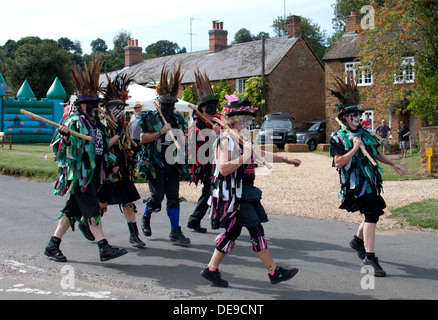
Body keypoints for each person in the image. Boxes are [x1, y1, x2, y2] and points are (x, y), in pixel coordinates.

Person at [200, 95, 301, 287]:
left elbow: (260, 154)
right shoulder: (225, 140)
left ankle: (211, 270)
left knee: (232, 233)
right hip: (234, 194)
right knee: (256, 230)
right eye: (244, 117)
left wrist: (287, 159)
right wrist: (245, 155)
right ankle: (274, 271)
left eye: (249, 117)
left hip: (245, 191)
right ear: (234, 119)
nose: (248, 121)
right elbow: (223, 169)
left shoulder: (241, 138)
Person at [44, 57, 128, 262]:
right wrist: (65, 136)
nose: (95, 107)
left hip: (94, 175)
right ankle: (103, 246)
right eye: (91, 104)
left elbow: (101, 148)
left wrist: (111, 162)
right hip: (80, 176)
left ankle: (52, 246)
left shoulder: (97, 125)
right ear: (82, 106)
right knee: (92, 209)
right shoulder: (73, 122)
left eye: (96, 103)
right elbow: (60, 151)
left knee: (71, 211)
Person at [329, 77, 404, 277]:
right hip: (355, 184)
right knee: (371, 213)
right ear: (344, 118)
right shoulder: (338, 137)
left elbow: (375, 154)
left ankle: (357, 240)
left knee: (374, 211)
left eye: (358, 114)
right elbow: (338, 163)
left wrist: (394, 163)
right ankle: (370, 258)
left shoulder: (366, 134)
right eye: (353, 115)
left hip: (370, 181)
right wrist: (354, 149)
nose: (357, 117)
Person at [137, 65, 191, 245]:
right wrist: (161, 131)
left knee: (174, 197)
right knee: (158, 197)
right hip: (155, 165)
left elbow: (183, 139)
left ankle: (175, 231)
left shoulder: (178, 119)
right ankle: (146, 216)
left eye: (171, 105)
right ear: (159, 103)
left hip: (172, 164)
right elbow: (143, 139)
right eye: (165, 105)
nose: (168, 108)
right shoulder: (150, 118)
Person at [99, 74, 145, 248]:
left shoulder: (121, 123)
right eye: (117, 108)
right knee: (102, 203)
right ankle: (88, 225)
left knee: (128, 201)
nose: (120, 111)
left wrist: (134, 149)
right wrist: (118, 134)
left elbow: (125, 143)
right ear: (109, 108)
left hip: (123, 169)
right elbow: (103, 147)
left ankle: (134, 234)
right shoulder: (102, 124)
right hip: (108, 169)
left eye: (122, 107)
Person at [187, 71, 220, 233]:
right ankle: (195, 220)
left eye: (215, 106)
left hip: (218, 163)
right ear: (202, 108)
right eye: (210, 106)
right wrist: (214, 133)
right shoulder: (197, 124)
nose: (213, 110)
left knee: (215, 192)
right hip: (205, 165)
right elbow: (200, 141)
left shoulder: (215, 121)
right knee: (209, 192)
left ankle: (202, 220)